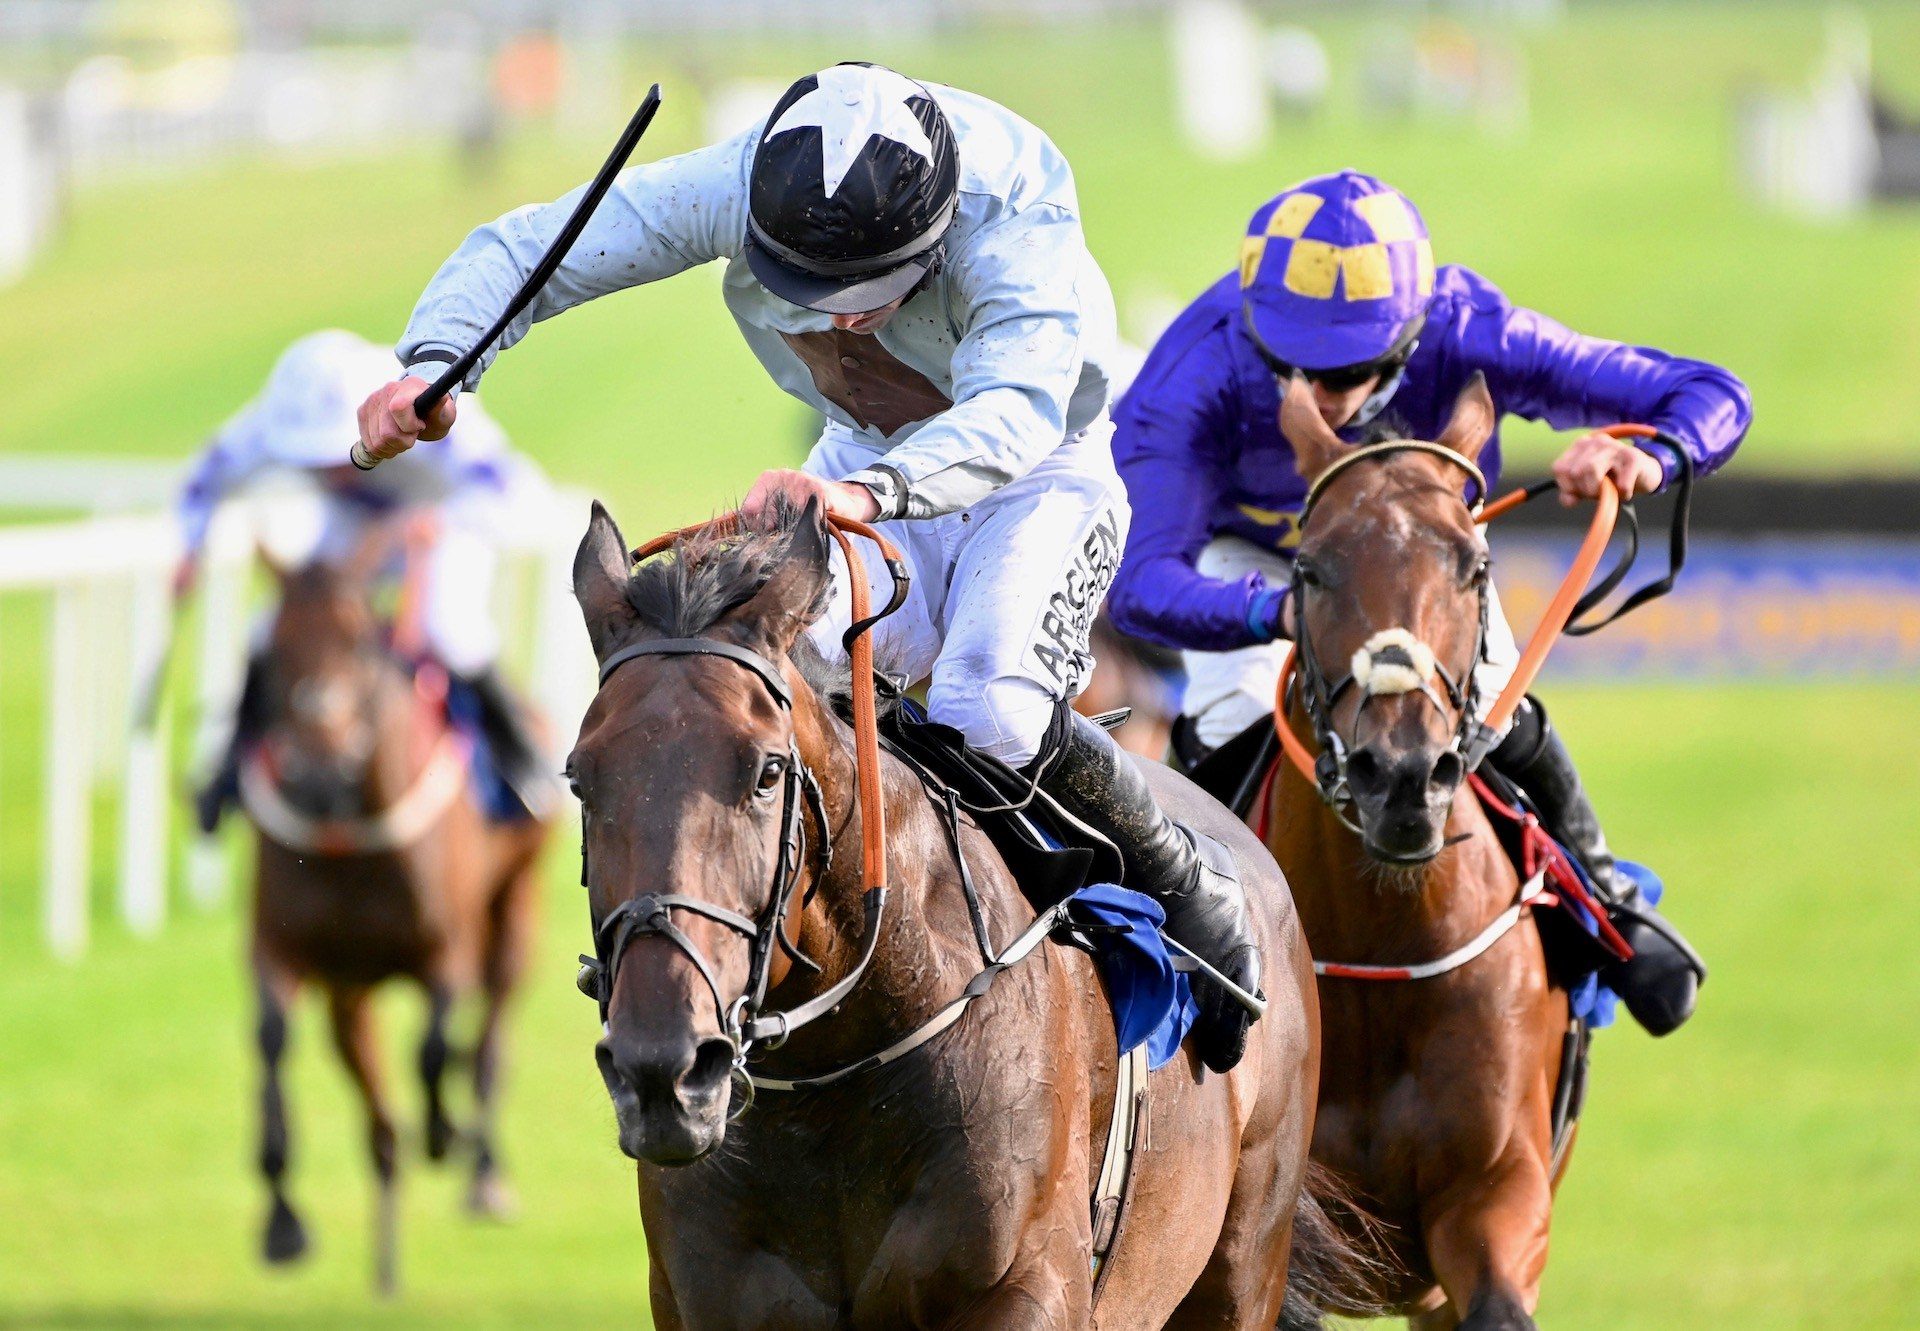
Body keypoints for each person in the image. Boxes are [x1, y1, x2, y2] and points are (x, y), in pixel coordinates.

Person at [352, 63, 1263, 1070]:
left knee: (986, 708)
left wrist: (869, 495)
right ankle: (725, 961)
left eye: (863, 296)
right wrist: (438, 357)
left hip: (1035, 472)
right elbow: (552, 242)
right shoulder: (744, 179)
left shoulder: (1015, 217)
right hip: (859, 460)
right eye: (812, 294)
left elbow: (1014, 411)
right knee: (740, 696)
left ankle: (1180, 886)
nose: (838, 321)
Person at [1107, 170, 1752, 1036]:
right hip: (1257, 558)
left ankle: (1606, 897)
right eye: (1295, 367)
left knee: (1487, 697)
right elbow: (1145, 584)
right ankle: (1185, 930)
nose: (1326, 392)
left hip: (1414, 550)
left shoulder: (1471, 329)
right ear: (1256, 332)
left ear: (1413, 337)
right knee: (1229, 710)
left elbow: (1711, 394)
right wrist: (1284, 614)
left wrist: (1650, 455)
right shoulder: (1193, 371)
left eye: (1356, 370)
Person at [176, 329, 551, 831]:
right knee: (272, 630)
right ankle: (227, 772)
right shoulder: (272, 420)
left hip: (442, 521)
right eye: (316, 459)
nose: (333, 469)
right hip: (355, 528)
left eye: (336, 453)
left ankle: (520, 759)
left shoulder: (422, 405)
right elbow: (203, 481)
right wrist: (189, 549)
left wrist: (427, 528)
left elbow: (515, 494)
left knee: (450, 627)